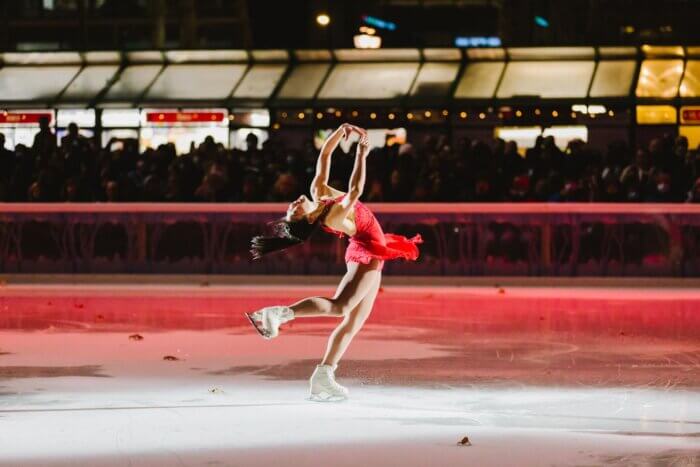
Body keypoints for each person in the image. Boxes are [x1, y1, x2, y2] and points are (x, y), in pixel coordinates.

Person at [246, 123, 423, 402]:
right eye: (293, 212)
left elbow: (324, 157)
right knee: (341, 306)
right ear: (306, 219)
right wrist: (361, 154)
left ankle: (324, 375)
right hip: (365, 252)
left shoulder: (319, 192)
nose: (291, 205)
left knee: (354, 322)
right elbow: (355, 191)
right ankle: (280, 314)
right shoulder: (331, 216)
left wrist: (340, 132)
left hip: (372, 251)